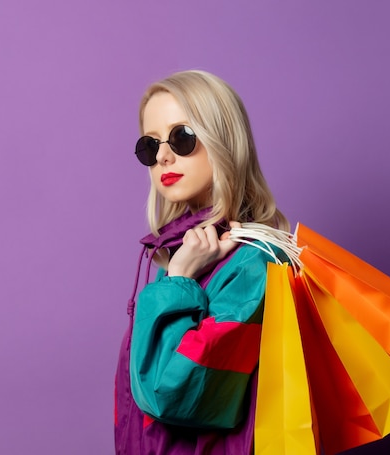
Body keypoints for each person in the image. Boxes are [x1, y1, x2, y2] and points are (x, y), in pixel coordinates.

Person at [114, 70, 289, 454]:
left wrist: (178, 280)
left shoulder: (251, 264)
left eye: (182, 137)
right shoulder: (185, 254)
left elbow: (169, 394)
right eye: (150, 144)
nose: (162, 155)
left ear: (223, 142)